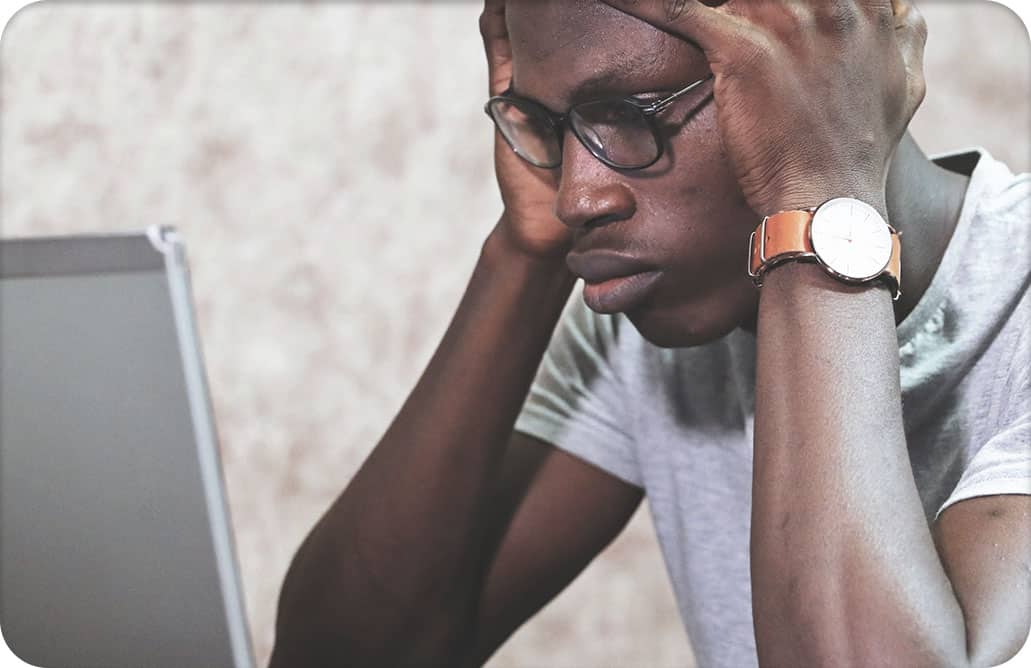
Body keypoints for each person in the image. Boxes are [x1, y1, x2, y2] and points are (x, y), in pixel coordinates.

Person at [269, 1, 1031, 665]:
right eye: (547, 124)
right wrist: (523, 253)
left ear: (831, 59)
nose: (577, 196)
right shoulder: (645, 319)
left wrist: (816, 199)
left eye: (630, 112)